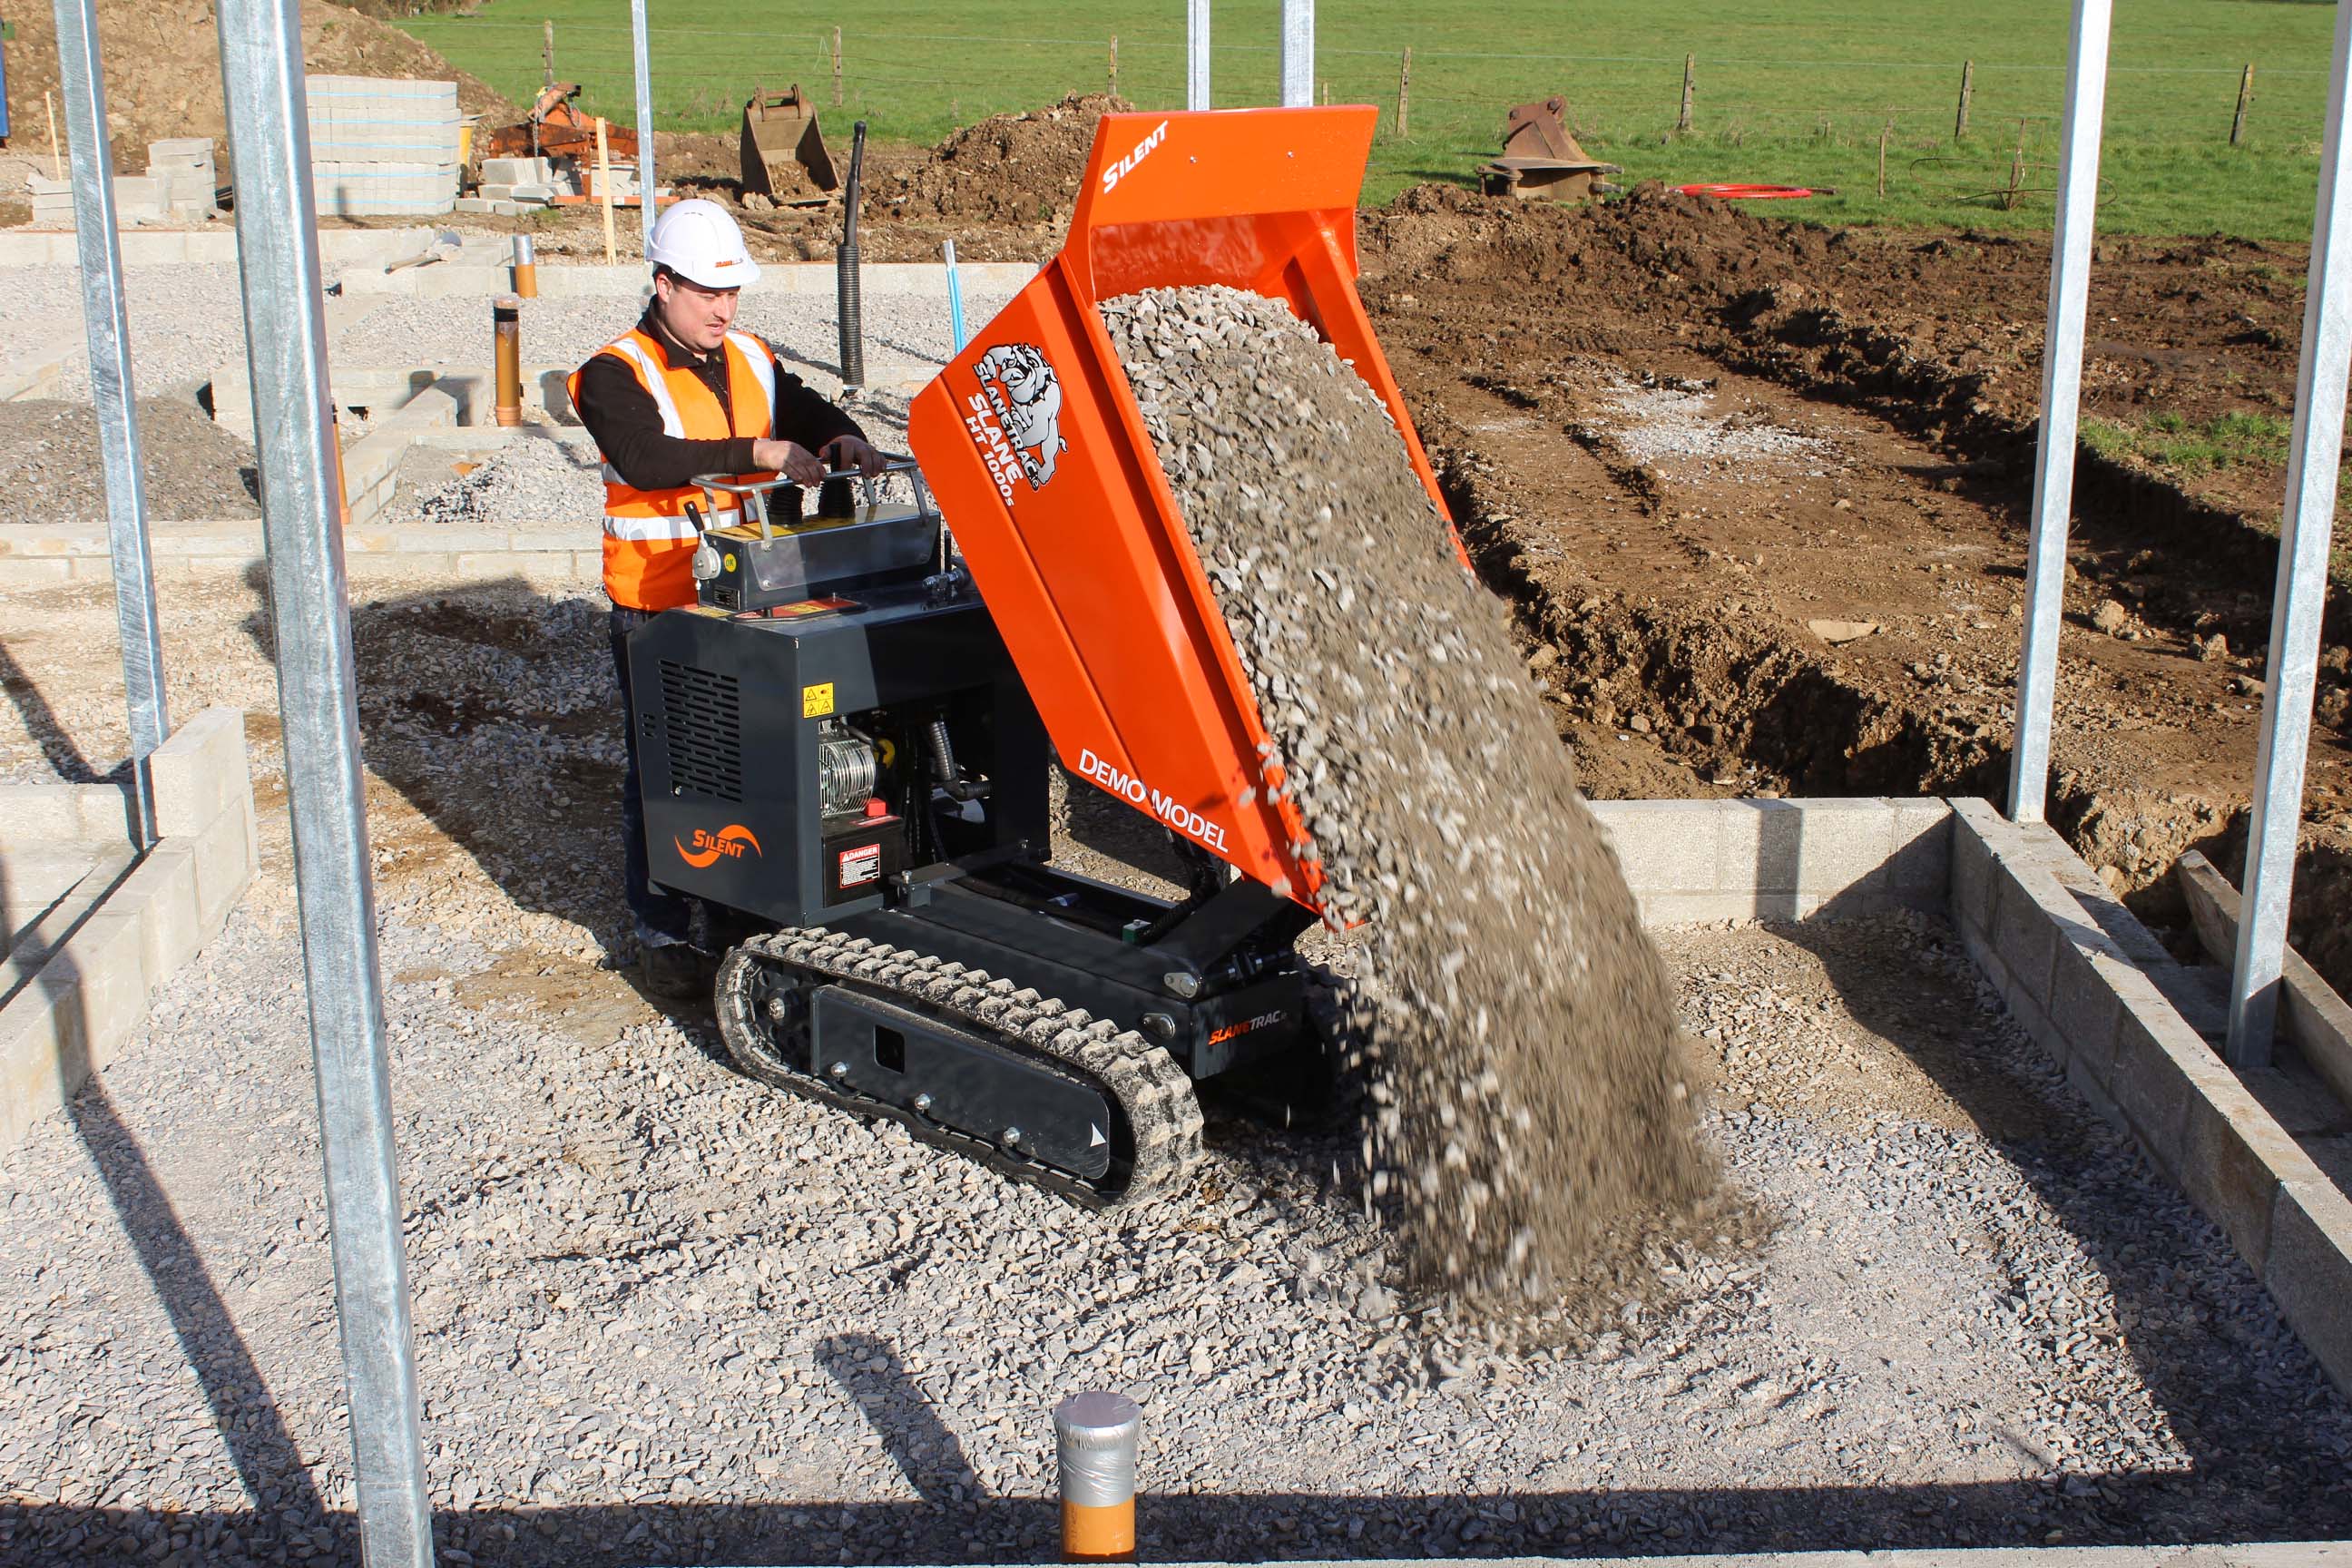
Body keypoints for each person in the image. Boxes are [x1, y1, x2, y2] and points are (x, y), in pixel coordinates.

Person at [568, 199, 885, 996]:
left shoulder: (749, 355)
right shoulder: (613, 373)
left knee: (756, 762)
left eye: (733, 291)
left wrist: (839, 434)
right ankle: (662, 928)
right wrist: (762, 451)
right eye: (709, 292)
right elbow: (644, 456)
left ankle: (744, 904)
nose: (724, 308)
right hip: (661, 605)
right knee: (667, 769)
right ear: (664, 284)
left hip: (751, 596)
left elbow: (802, 405)